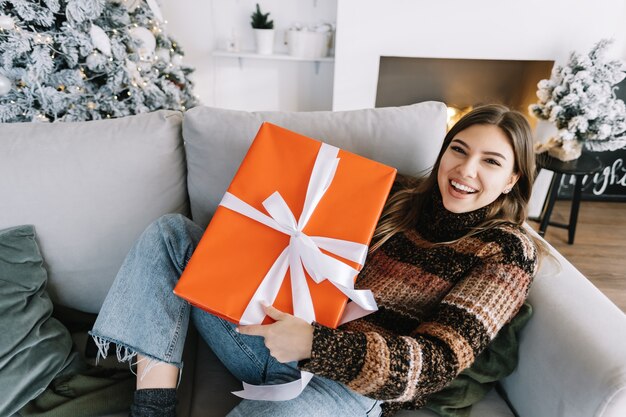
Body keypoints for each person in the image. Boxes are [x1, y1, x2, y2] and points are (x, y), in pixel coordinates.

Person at [90, 104, 545, 416]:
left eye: (491, 162)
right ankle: (150, 409)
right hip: (268, 333)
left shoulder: (508, 251)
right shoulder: (397, 196)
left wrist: (315, 346)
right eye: (459, 150)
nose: (466, 171)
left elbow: (438, 362)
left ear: (512, 179)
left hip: (348, 385)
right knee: (172, 235)